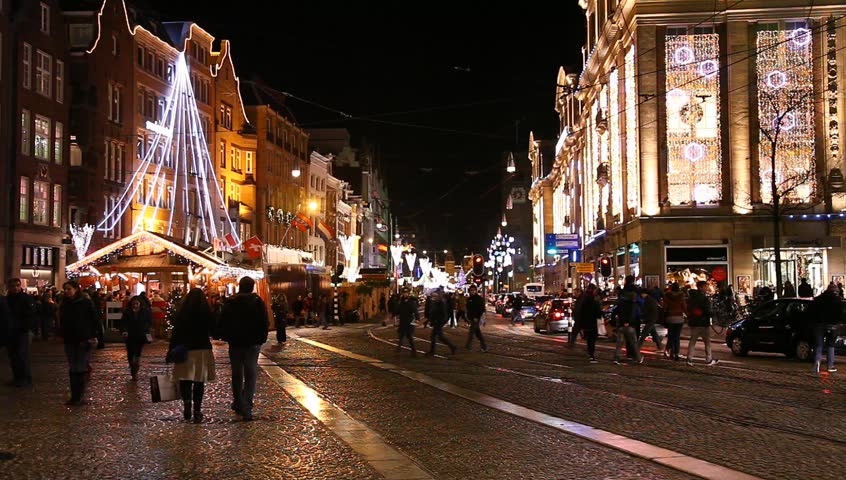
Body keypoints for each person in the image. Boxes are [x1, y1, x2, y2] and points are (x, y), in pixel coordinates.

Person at [218, 277, 269, 421]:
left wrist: (225, 335)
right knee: (251, 372)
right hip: (253, 342)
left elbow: (223, 320)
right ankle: (247, 405)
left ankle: (238, 401)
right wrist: (262, 337)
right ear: (252, 287)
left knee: (236, 372)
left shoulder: (231, 302)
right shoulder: (258, 302)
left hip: (235, 342)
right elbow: (264, 322)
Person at [169, 288, 216, 423]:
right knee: (199, 381)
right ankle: (197, 410)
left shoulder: (182, 313)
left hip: (185, 350)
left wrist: (171, 350)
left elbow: (175, 333)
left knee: (185, 379)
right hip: (202, 350)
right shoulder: (206, 312)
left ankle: (187, 403)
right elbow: (214, 330)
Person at [59, 281, 101, 405]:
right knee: (73, 367)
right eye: (65, 289)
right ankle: (74, 395)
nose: (67, 291)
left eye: (69, 289)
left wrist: (94, 335)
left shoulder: (85, 303)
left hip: (84, 339)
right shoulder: (65, 304)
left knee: (80, 367)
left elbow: (95, 320)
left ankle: (79, 396)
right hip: (70, 339)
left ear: (76, 289)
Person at [5, 279, 36, 387]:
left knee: (22, 355)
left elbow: (31, 315)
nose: (15, 288)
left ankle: (26, 378)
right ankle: (17, 377)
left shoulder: (26, 298)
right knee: (13, 356)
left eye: (17, 285)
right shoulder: (7, 299)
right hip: (10, 332)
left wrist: (26, 328)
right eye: (13, 286)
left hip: (22, 331)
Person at [809, 284, 841, 373]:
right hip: (832, 324)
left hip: (819, 324)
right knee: (830, 345)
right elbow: (840, 313)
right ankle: (830, 365)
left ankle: (816, 364)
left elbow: (812, 312)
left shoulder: (819, 299)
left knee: (819, 345)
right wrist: (837, 323)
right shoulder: (837, 300)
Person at [612, 276, 643, 365]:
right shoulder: (634, 298)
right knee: (634, 340)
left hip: (622, 323)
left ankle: (618, 357)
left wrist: (615, 321)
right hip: (632, 321)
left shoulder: (622, 296)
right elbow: (639, 305)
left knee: (620, 341)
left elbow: (616, 310)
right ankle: (636, 357)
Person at [686, 280, 718, 366]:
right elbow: (707, 310)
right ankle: (709, 359)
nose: (706, 288)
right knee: (707, 342)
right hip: (703, 322)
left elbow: (688, 308)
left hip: (694, 322)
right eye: (705, 286)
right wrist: (713, 314)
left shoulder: (691, 297)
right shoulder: (703, 298)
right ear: (700, 287)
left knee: (692, 341)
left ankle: (689, 358)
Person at [120, 297, 152, 381]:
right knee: (130, 352)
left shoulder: (145, 312)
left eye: (137, 303)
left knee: (138, 352)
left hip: (140, 335)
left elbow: (148, 322)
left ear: (140, 304)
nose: (135, 305)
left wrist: (146, 330)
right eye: (133, 303)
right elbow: (124, 322)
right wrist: (124, 331)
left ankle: (135, 368)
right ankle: (132, 366)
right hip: (130, 335)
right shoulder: (127, 312)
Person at [575, 285, 602, 362]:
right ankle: (591, 354)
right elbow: (597, 312)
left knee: (589, 339)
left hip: (585, 322)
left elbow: (579, 311)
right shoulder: (593, 300)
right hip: (591, 322)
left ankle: (590, 353)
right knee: (592, 340)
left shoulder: (583, 299)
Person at [425, 290, 456, 356]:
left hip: (438, 322)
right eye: (433, 296)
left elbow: (443, 314)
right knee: (440, 337)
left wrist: (439, 321)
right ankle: (452, 347)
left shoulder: (441, 303)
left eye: (435, 296)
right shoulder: (434, 303)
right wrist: (428, 320)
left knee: (434, 336)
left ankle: (432, 351)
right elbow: (432, 313)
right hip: (436, 322)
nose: (433, 297)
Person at [663, 282, 687, 361]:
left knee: (670, 335)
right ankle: (676, 353)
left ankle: (668, 350)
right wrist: (688, 315)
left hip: (670, 317)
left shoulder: (667, 295)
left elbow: (665, 307)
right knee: (677, 336)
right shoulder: (681, 296)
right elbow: (684, 307)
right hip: (679, 317)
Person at [396, 288, 418, 356]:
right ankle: (399, 348)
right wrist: (394, 314)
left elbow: (415, 310)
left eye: (406, 293)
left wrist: (417, 318)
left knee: (409, 336)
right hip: (402, 321)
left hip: (409, 321)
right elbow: (398, 309)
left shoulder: (411, 301)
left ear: (408, 293)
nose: (405, 294)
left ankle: (413, 350)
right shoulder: (401, 301)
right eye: (404, 293)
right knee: (401, 335)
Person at [465, 285, 487, 352]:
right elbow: (468, 309)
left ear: (476, 290)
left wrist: (477, 317)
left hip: (476, 319)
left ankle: (468, 346)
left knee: (471, 333)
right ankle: (484, 346)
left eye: (473, 290)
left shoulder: (479, 299)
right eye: (471, 290)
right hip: (471, 318)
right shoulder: (469, 299)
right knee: (478, 333)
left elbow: (481, 309)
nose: (472, 291)